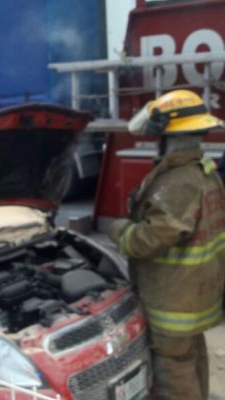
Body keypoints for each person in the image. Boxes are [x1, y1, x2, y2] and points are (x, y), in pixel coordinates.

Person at [108, 89, 225, 400]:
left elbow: (151, 239)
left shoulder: (177, 181)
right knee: (191, 357)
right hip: (197, 295)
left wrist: (119, 230)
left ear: (168, 137)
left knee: (173, 371)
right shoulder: (205, 172)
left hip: (173, 300)